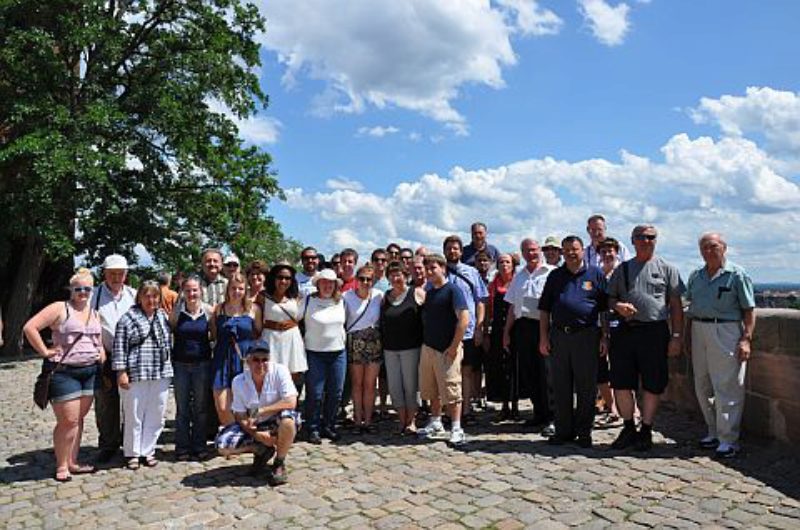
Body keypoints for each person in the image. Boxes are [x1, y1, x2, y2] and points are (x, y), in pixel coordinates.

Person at [607, 225, 684, 452]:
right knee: (621, 382)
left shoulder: (667, 269)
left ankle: (646, 429)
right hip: (625, 331)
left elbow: (676, 306)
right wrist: (618, 305)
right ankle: (628, 426)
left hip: (655, 331)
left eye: (650, 237)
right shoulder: (623, 269)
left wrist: (677, 336)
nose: (645, 240)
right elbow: (609, 299)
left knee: (653, 382)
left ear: (656, 240)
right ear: (632, 240)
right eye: (640, 237)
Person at [24, 268, 104, 482]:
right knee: (67, 420)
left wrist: (101, 352)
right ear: (71, 289)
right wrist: (45, 351)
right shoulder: (60, 308)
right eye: (79, 288)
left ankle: (72, 461)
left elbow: (97, 336)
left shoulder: (93, 312)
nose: (83, 292)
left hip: (90, 371)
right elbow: (30, 327)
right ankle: (61, 465)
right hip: (65, 372)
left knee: (78, 419)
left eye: (88, 288)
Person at [685, 232, 756, 459]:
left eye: (713, 246)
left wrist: (746, 338)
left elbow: (749, 310)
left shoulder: (736, 275)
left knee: (727, 385)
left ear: (723, 247)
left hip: (726, 330)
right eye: (704, 247)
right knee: (702, 384)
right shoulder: (696, 276)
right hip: (699, 329)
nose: (708, 251)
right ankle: (713, 431)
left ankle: (729, 439)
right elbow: (689, 305)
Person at [538, 236, 607, 448]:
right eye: (566, 250)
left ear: (582, 251)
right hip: (559, 335)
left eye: (574, 249)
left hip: (587, 336)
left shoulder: (595, 274)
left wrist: (605, 336)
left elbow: (604, 308)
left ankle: (584, 432)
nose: (570, 253)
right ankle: (563, 431)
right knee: (560, 386)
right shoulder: (555, 276)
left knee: (586, 387)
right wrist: (543, 337)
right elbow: (544, 309)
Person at [215, 340, 300, 485]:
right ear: (248, 361)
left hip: (277, 419)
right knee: (222, 445)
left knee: (288, 421)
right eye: (256, 360)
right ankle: (261, 450)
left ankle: (279, 462)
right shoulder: (238, 381)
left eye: (264, 359)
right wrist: (256, 434)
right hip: (255, 424)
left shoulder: (280, 371)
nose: (260, 364)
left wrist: (261, 411)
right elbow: (240, 415)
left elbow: (291, 402)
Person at [112, 281, 173, 469]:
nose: (151, 300)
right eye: (147, 296)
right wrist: (121, 372)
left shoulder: (162, 316)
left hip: (160, 372)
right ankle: (132, 452)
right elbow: (119, 347)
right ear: (139, 297)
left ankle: (148, 450)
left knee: (156, 413)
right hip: (136, 372)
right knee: (134, 415)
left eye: (155, 296)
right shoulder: (127, 318)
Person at [502, 239, 556, 433]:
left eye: (534, 250)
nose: (531, 253)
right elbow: (511, 306)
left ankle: (553, 416)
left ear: (539, 251)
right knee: (529, 371)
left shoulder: (551, 273)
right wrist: (506, 333)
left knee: (547, 373)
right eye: (527, 251)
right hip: (523, 327)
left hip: (545, 326)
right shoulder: (519, 276)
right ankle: (539, 412)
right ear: (522, 253)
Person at [417, 254, 470, 446]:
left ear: (443, 268)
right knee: (432, 389)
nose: (430, 272)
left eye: (434, 268)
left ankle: (457, 427)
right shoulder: (430, 293)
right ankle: (436, 421)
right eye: (428, 268)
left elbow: (464, 318)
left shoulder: (453, 290)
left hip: (447, 349)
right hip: (429, 347)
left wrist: (454, 346)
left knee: (451, 389)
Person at [91, 254, 137, 464]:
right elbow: (88, 324)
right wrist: (98, 347)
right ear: (105, 274)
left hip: (131, 356)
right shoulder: (94, 296)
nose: (117, 278)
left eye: (120, 273)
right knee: (106, 401)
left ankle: (130, 444)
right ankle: (108, 444)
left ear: (126, 274)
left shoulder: (133, 295)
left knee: (132, 402)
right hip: (105, 354)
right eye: (113, 274)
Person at [299, 269, 347, 444]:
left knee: (335, 393)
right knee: (315, 393)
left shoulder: (341, 302)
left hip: (338, 353)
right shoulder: (308, 301)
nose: (327, 285)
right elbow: (293, 317)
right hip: (315, 353)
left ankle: (329, 425)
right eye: (324, 282)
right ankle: (312, 427)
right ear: (318, 284)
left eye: (331, 282)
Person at [443, 235, 488, 423]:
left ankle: (466, 411)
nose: (452, 251)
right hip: (446, 331)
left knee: (467, 372)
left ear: (461, 251)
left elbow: (480, 301)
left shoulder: (471, 272)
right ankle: (449, 412)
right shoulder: (439, 272)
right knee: (447, 373)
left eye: (456, 248)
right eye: (449, 248)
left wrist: (479, 327)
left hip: (468, 330)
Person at [210, 272, 263, 427]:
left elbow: (258, 334)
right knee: (222, 407)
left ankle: (246, 436)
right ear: (228, 289)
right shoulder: (219, 309)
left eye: (240, 288)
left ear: (245, 290)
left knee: (246, 405)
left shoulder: (254, 309)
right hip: (222, 360)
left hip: (245, 361)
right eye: (233, 288)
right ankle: (235, 435)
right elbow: (214, 334)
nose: (236, 292)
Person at [170, 275, 213, 460]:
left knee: (201, 409)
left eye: (195, 290)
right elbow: (172, 331)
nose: (191, 294)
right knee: (182, 408)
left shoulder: (209, 311)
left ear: (201, 291)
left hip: (202, 365)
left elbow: (214, 336)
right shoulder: (176, 312)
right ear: (182, 292)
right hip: (180, 365)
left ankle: (199, 445)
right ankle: (182, 447)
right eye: (188, 290)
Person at [381, 261, 425, 435]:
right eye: (391, 275)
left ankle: (411, 421)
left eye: (398, 274)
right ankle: (401, 419)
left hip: (411, 348)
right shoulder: (386, 296)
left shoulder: (417, 293)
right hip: (390, 349)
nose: (395, 278)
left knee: (410, 385)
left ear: (406, 276)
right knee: (394, 386)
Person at [344, 264, 384, 433]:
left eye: (369, 279)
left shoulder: (378, 296)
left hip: (373, 341)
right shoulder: (347, 297)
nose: (366, 282)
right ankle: (357, 420)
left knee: (369, 384)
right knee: (357, 383)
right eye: (362, 279)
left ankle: (368, 420)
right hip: (355, 341)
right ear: (356, 280)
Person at [261, 263, 307, 388]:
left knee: (292, 378)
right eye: (280, 277)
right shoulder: (263, 296)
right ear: (273, 278)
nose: (283, 281)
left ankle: (290, 405)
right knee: (270, 376)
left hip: (291, 339)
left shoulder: (297, 297)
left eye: (288, 278)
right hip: (271, 339)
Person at [484, 254, 517, 420]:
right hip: (497, 330)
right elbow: (489, 311)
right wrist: (486, 332)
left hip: (516, 330)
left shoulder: (518, 282)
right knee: (500, 368)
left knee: (515, 367)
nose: (504, 265)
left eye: (507, 262)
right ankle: (505, 405)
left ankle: (516, 405)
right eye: (501, 262)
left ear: (513, 265)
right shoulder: (492, 285)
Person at [595, 238, 622, 429]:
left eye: (610, 251)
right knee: (601, 370)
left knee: (621, 369)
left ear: (616, 252)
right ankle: (612, 408)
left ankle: (630, 410)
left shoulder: (623, 273)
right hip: (599, 327)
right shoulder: (596, 275)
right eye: (603, 252)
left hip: (621, 326)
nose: (607, 255)